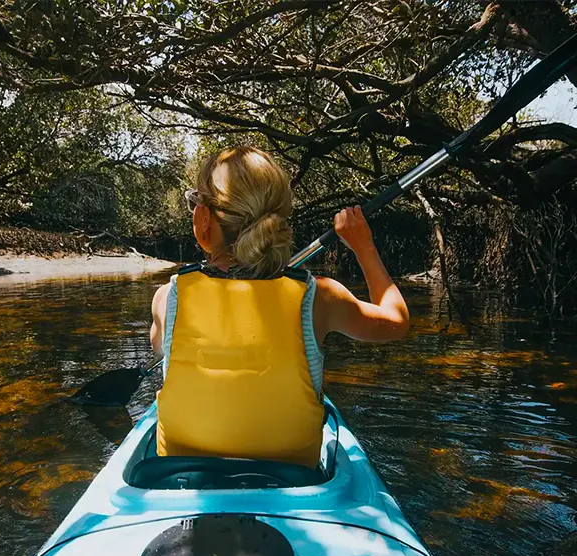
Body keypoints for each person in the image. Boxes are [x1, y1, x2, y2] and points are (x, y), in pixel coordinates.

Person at [149, 146, 409, 469]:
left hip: (178, 479)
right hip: (293, 481)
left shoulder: (167, 298)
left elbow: (160, 347)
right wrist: (363, 246)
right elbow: (397, 320)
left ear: (202, 221)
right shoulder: (319, 298)